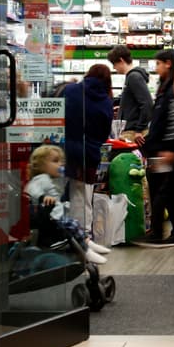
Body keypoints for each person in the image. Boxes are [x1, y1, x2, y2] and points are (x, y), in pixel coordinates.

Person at [135, 49, 174, 245]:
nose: (155, 68)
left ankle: (159, 232)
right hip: (161, 147)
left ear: (168, 63)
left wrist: (172, 148)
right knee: (168, 189)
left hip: (166, 149)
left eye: (158, 64)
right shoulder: (165, 86)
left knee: (163, 189)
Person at [25, 145, 110, 264]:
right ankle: (86, 251)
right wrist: (43, 197)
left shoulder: (52, 179)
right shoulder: (40, 179)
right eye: (55, 161)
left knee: (73, 224)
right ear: (41, 165)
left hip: (55, 215)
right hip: (50, 217)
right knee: (70, 226)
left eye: (61, 161)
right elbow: (31, 189)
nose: (60, 164)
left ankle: (87, 244)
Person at [63, 64, 114, 235]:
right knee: (83, 199)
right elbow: (105, 133)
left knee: (56, 193)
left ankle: (58, 234)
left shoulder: (70, 90)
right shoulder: (107, 101)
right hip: (88, 155)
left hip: (63, 150)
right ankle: (82, 237)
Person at [108, 45, 153, 135]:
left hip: (133, 132)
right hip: (130, 129)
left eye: (114, 64)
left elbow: (147, 104)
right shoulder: (131, 77)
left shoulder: (134, 77)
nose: (114, 68)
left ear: (121, 60)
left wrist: (139, 130)